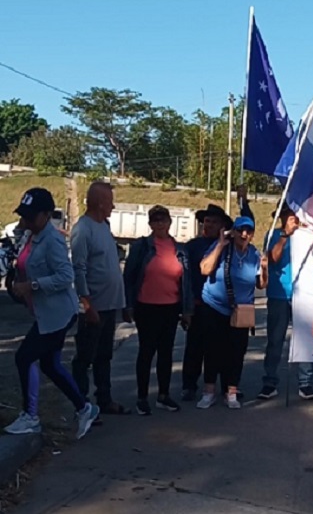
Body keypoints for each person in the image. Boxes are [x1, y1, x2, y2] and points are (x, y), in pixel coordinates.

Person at [4, 189, 100, 439]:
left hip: (58, 315)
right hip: (45, 313)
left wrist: (33, 286)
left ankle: (30, 417)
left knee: (24, 357)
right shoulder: (29, 235)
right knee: (50, 364)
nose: (26, 220)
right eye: (23, 215)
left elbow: (65, 276)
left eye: (31, 216)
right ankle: (84, 408)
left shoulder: (52, 240)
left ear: (47, 215)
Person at [181, 196, 253, 401]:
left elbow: (248, 227)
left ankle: (225, 386)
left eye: (213, 222)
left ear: (223, 226)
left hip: (221, 306)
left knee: (222, 349)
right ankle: (189, 384)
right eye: (206, 221)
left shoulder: (229, 245)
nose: (208, 225)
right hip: (198, 304)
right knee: (195, 348)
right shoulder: (193, 246)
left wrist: (243, 202)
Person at [122, 206, 193, 415]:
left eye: (163, 220)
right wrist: (128, 306)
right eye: (155, 220)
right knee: (146, 352)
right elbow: (129, 278)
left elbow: (186, 281)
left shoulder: (179, 249)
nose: (159, 224)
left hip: (170, 308)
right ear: (150, 223)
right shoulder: (142, 247)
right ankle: (142, 397)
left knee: (166, 353)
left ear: (170, 222)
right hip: (146, 307)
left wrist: (187, 311)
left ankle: (163, 395)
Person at [196, 216, 268, 409]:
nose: (244, 234)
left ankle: (231, 392)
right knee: (212, 350)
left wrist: (264, 269)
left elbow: (261, 284)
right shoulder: (221, 248)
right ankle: (208, 392)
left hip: (240, 311)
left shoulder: (254, 254)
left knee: (236, 352)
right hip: (214, 306)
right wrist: (219, 245)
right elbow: (204, 269)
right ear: (233, 231)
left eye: (249, 231)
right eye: (240, 230)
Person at [71, 182, 129, 416]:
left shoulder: (104, 226)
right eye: (111, 201)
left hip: (109, 306)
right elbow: (78, 270)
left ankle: (104, 400)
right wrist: (87, 304)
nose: (113, 206)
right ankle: (81, 405)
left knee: (105, 355)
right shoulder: (83, 230)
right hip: (92, 308)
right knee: (85, 357)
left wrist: (122, 304)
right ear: (100, 203)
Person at [259, 206, 313, 401]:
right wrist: (285, 235)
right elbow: (273, 259)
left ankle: (305, 383)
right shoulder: (272, 234)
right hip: (279, 294)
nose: (293, 219)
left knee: (304, 340)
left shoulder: (307, 236)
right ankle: (269, 382)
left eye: (295, 216)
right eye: (288, 216)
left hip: (304, 295)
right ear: (281, 217)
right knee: (275, 340)